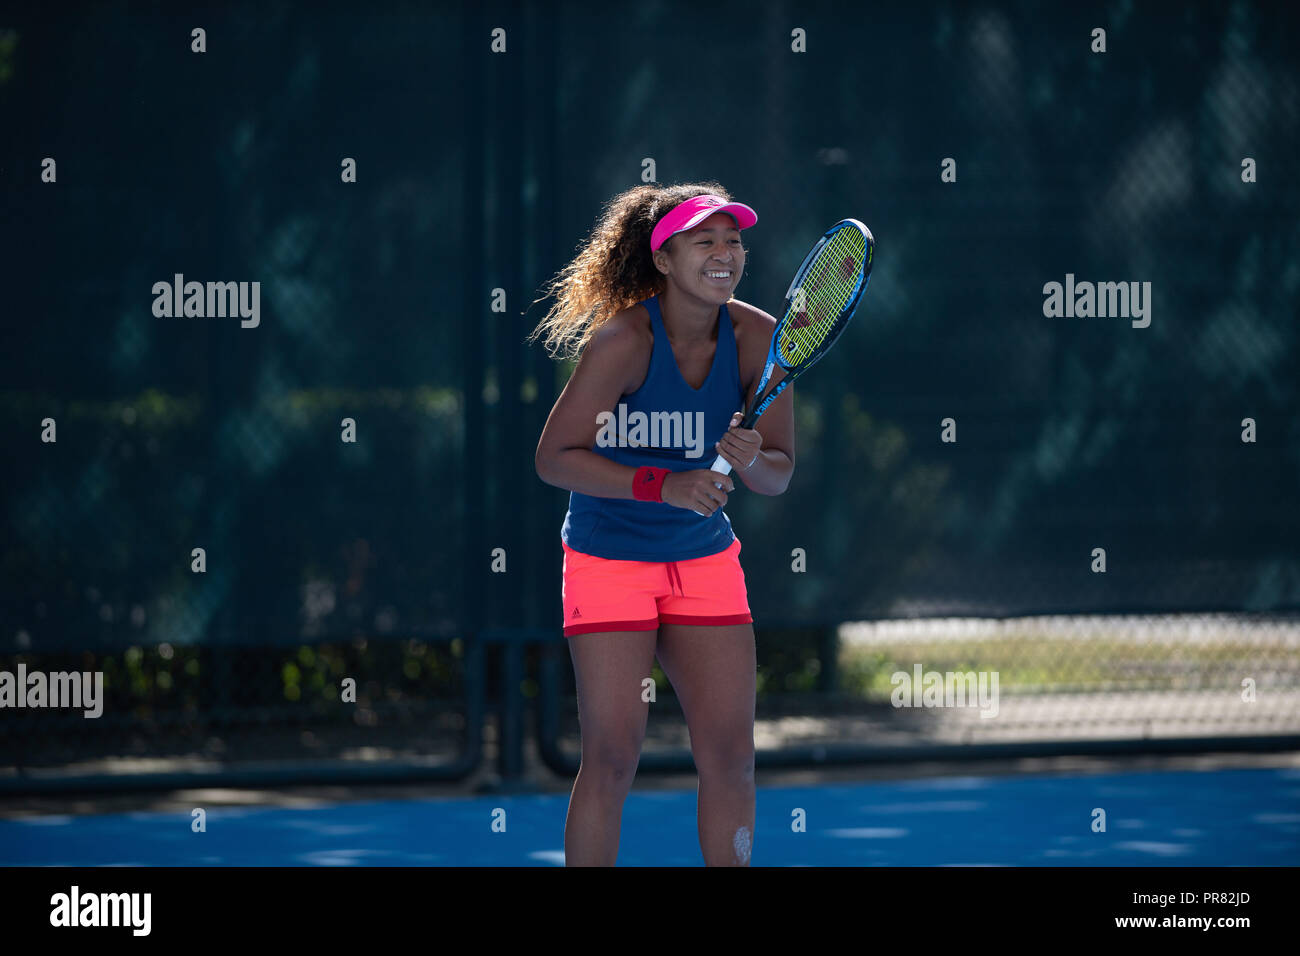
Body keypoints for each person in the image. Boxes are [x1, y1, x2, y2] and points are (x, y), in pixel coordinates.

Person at [531, 182, 795, 866]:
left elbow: (778, 475)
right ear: (665, 260)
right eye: (704, 240)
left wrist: (752, 457)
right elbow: (554, 459)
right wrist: (662, 484)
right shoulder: (623, 341)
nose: (724, 253)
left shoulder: (762, 339)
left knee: (733, 758)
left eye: (733, 240)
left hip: (704, 562)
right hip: (608, 560)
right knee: (613, 759)